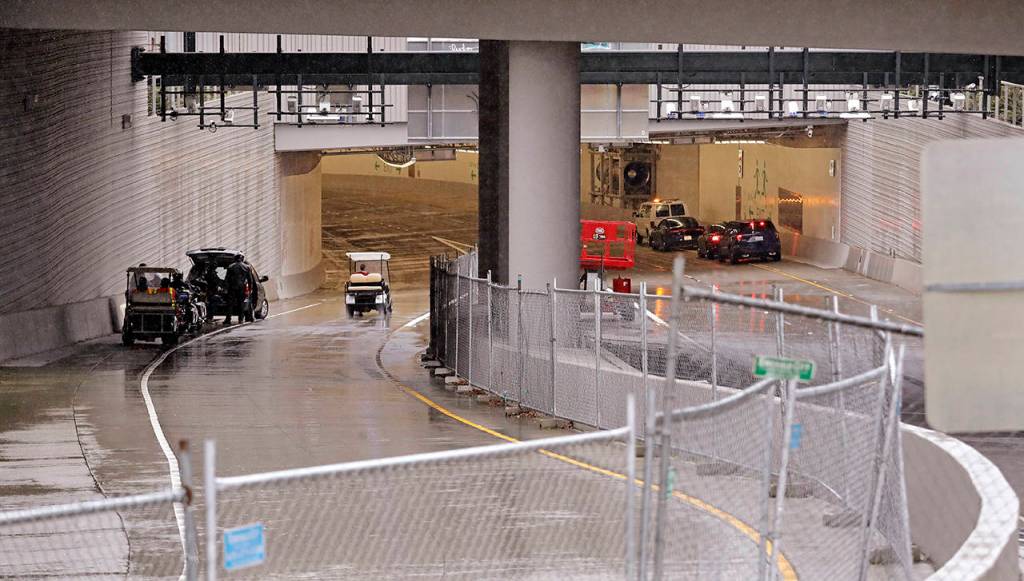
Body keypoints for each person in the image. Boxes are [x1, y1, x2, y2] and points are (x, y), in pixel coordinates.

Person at [224, 255, 249, 325]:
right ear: (242, 259)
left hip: (232, 288)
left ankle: (228, 319)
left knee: (230, 304)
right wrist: (250, 289)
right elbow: (250, 280)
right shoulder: (246, 267)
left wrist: (225, 288)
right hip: (242, 288)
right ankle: (241, 319)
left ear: (235, 259)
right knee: (241, 303)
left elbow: (227, 279)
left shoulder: (230, 266)